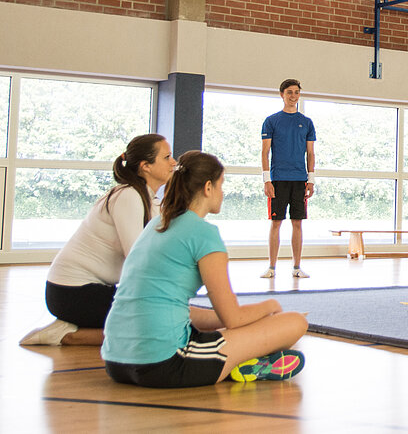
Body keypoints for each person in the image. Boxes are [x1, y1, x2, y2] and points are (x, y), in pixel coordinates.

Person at [101, 150, 308, 387]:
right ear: (208, 188)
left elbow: (171, 307)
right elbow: (233, 318)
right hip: (164, 364)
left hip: (115, 361)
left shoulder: (156, 225)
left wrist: (233, 323)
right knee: (294, 322)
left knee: (230, 328)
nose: (222, 193)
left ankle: (244, 358)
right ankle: (244, 363)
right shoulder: (204, 234)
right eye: (221, 185)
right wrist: (270, 306)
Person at [20, 134, 177, 346]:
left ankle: (72, 327)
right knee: (156, 323)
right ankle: (65, 335)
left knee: (163, 315)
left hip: (88, 290)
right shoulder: (127, 196)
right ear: (145, 166)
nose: (173, 162)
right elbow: (137, 257)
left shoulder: (148, 199)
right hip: (71, 293)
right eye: (167, 157)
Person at [261, 78, 316, 279]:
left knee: (297, 223)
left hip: (299, 179)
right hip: (278, 179)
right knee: (276, 223)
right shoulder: (271, 121)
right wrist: (267, 179)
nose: (293, 96)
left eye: (296, 92)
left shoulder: (307, 122)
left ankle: (296, 267)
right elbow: (265, 152)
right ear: (282, 95)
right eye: (289, 92)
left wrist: (311, 180)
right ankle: (272, 268)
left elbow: (310, 154)